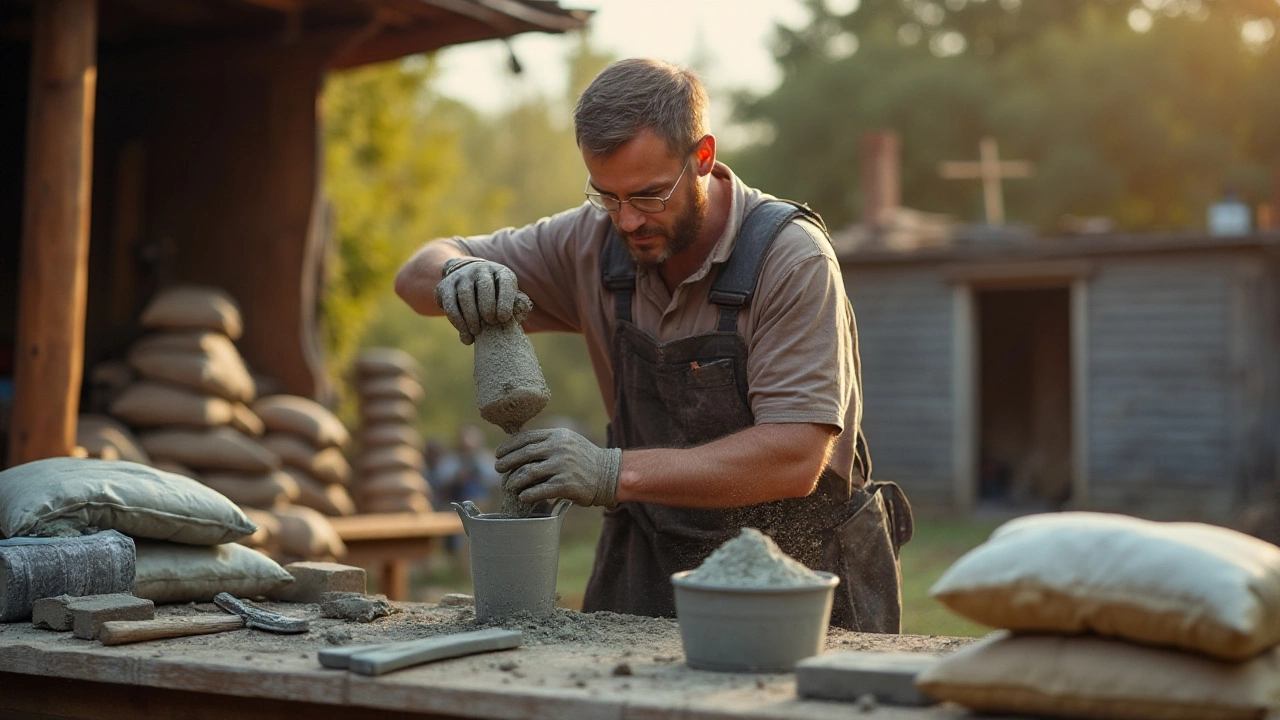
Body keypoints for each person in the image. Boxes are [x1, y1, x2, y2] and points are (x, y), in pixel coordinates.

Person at [395, 58, 911, 632]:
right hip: (645, 563)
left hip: (795, 577)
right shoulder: (593, 238)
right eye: (607, 196)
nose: (629, 221)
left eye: (648, 195)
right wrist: (458, 274)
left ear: (704, 157)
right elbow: (415, 273)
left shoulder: (790, 260)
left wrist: (611, 472)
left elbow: (794, 456)